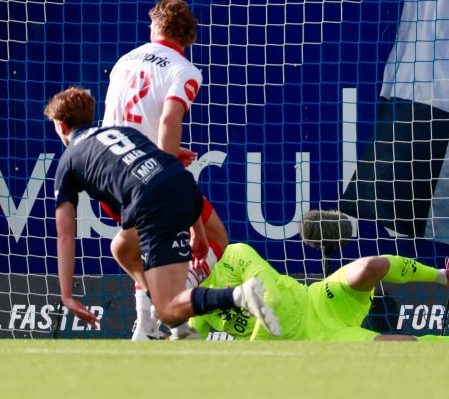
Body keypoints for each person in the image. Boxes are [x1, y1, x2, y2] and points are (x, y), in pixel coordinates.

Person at [44, 86, 281, 335]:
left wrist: (68, 296)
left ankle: (239, 295)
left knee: (167, 307)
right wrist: (197, 230)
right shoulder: (122, 132)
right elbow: (168, 165)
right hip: (185, 187)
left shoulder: (69, 160)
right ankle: (180, 330)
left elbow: (65, 236)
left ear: (60, 125)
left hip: (153, 204)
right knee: (121, 248)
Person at [102, 0, 229, 340]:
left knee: (136, 247)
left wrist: (166, 151)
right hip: (147, 174)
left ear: (155, 27)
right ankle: (175, 302)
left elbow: (123, 117)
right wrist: (165, 164)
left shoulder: (124, 60)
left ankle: (147, 327)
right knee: (214, 235)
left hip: (110, 171)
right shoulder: (183, 69)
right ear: (189, 37)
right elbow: (170, 118)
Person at [188, 210, 449, 342]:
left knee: (370, 267)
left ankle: (446, 275)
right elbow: (190, 342)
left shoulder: (235, 254)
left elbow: (268, 295)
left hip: (316, 300)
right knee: (396, 347)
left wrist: (258, 351)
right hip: (316, 341)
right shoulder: (195, 301)